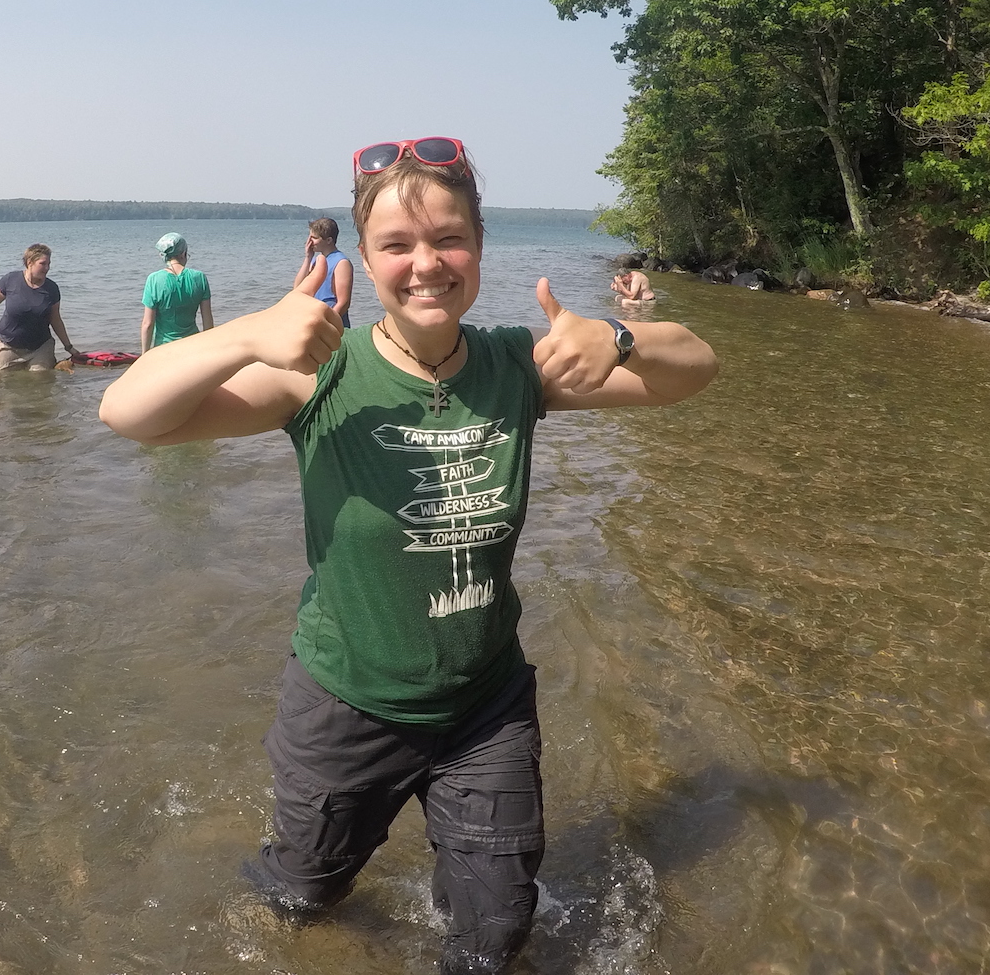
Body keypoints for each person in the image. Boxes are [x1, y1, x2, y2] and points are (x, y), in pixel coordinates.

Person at [99, 137, 717, 974]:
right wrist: (249, 333)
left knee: (496, 935)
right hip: (345, 704)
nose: (426, 264)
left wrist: (620, 334)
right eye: (397, 245)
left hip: (484, 707)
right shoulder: (318, 375)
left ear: (480, 246)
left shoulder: (516, 367)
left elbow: (696, 370)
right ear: (366, 258)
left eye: (448, 239)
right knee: (305, 896)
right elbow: (128, 412)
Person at [0, 243, 80, 371]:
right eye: (43, 263)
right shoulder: (10, 280)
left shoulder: (51, 288)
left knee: (41, 380)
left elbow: (56, 319)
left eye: (49, 264)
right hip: (8, 345)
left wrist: (69, 347)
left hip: (41, 346)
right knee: (6, 382)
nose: (47, 268)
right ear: (30, 262)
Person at [141, 233, 214, 352]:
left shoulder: (154, 280)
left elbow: (147, 324)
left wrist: (144, 355)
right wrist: (209, 349)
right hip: (193, 345)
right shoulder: (199, 277)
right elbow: (207, 320)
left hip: (164, 348)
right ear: (183, 253)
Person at [293, 216, 353, 326]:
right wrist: (308, 258)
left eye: (314, 238)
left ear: (329, 240)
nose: (309, 242)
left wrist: (326, 324)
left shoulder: (341, 262)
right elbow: (298, 288)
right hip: (315, 319)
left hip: (333, 325)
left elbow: (343, 302)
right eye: (309, 237)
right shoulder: (316, 260)